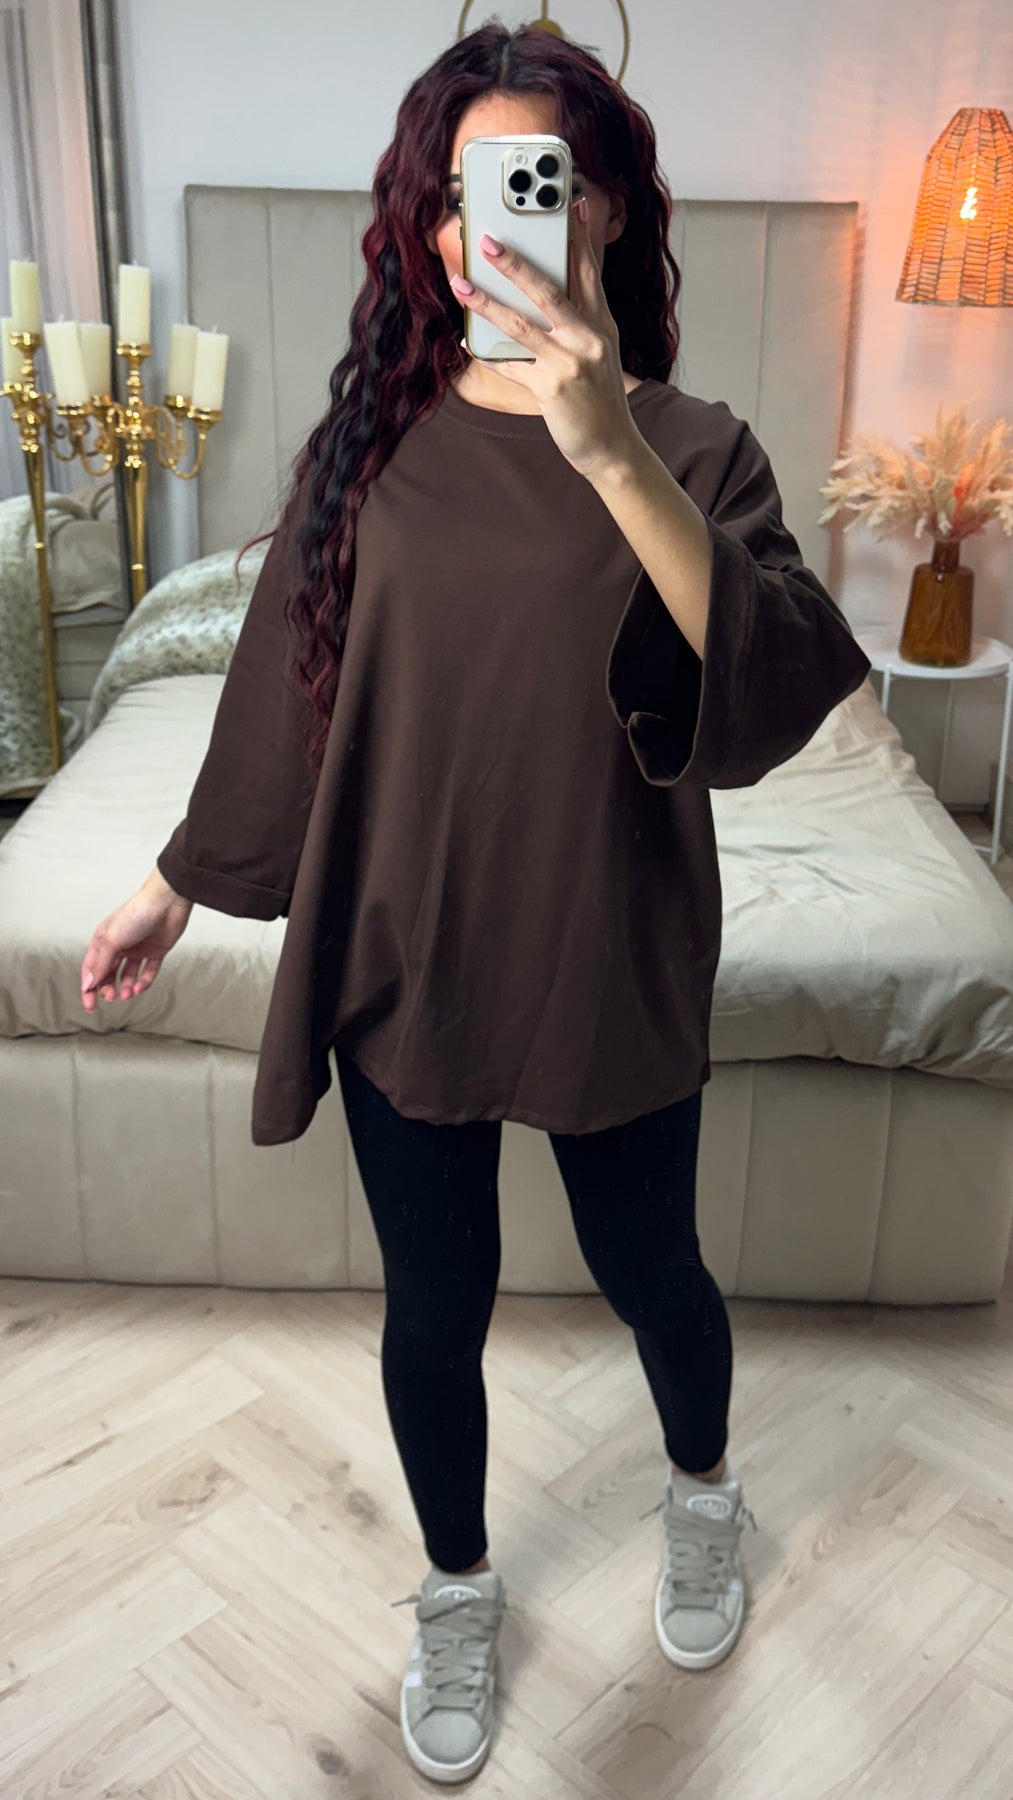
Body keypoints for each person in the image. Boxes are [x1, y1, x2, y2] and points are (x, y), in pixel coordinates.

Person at [81, 22, 871, 1787]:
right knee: (430, 1311)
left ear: (605, 208)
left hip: (606, 944)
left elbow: (770, 687)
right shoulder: (372, 447)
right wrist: (170, 885)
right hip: (406, 949)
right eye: (456, 193)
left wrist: (606, 447)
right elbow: (291, 700)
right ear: (427, 226)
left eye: (533, 180)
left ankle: (700, 1493)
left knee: (653, 1269)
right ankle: (454, 1589)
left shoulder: (697, 448)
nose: (487, 221)